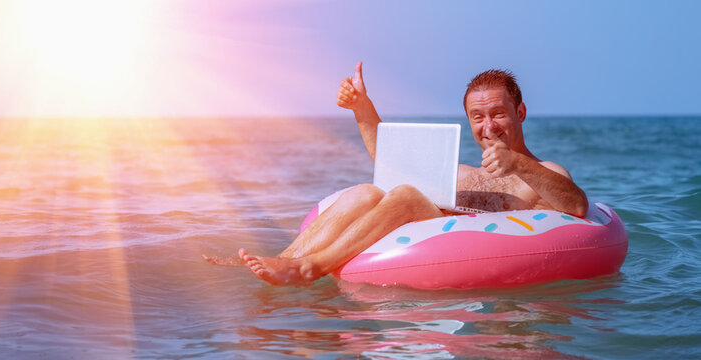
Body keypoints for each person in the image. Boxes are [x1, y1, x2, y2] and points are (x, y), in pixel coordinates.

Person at [238, 61, 588, 286]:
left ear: (520, 112)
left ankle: (311, 268)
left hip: (479, 258)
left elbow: (576, 207)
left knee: (406, 195)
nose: (488, 126)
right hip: (430, 240)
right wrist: (362, 107)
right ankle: (285, 260)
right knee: (367, 192)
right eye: (478, 117)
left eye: (498, 113)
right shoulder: (462, 173)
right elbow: (390, 165)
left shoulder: (542, 172)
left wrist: (519, 164)